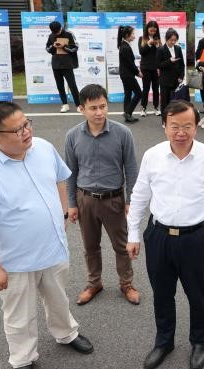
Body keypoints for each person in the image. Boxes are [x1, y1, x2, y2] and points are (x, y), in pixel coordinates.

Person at [0, 101, 94, 369]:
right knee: (19, 315)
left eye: (26, 124)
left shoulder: (42, 148)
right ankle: (23, 358)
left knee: (58, 298)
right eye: (17, 130)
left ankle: (66, 333)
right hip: (15, 261)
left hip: (53, 248)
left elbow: (59, 178)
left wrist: (62, 214)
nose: (27, 132)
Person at [126, 100, 204, 369]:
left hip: (196, 237)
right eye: (174, 126)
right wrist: (133, 234)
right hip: (158, 235)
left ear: (196, 127)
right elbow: (139, 196)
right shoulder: (152, 156)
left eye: (187, 126)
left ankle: (200, 342)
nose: (180, 132)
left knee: (196, 292)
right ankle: (164, 341)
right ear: (164, 126)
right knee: (162, 293)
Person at [64, 84, 140, 306]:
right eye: (93, 108)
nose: (99, 112)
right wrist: (72, 204)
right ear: (81, 109)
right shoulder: (72, 136)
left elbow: (131, 169)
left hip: (114, 200)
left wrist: (130, 200)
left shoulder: (123, 133)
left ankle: (126, 283)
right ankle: (94, 283)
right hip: (85, 200)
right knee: (90, 247)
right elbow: (71, 172)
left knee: (122, 246)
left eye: (103, 106)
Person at [46, 20, 80, 113]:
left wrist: (64, 47)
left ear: (61, 28)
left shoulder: (69, 34)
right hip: (56, 64)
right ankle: (65, 104)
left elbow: (75, 47)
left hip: (67, 63)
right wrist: (53, 46)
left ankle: (78, 105)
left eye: (58, 31)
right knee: (60, 85)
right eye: (55, 32)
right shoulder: (51, 36)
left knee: (72, 85)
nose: (57, 33)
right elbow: (48, 49)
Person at [157, 28, 186, 123]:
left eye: (175, 40)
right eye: (171, 40)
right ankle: (164, 120)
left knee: (175, 102)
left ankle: (174, 119)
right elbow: (158, 65)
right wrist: (169, 61)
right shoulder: (161, 49)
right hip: (165, 80)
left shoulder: (178, 48)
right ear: (166, 39)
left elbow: (182, 64)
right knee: (165, 101)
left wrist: (181, 76)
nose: (173, 42)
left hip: (176, 80)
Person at [117, 25, 143, 123]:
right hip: (127, 75)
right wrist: (138, 72)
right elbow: (130, 63)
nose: (134, 36)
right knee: (139, 93)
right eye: (132, 34)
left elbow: (129, 63)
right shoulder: (125, 47)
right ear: (127, 35)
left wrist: (136, 72)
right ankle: (128, 112)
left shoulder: (124, 45)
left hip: (126, 74)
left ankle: (128, 115)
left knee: (128, 94)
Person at [138, 21, 162, 117]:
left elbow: (161, 53)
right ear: (147, 29)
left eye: (154, 31)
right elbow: (141, 52)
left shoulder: (158, 39)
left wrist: (157, 46)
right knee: (146, 88)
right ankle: (143, 108)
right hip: (145, 67)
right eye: (151, 30)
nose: (152, 32)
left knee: (156, 88)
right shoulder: (142, 38)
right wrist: (148, 44)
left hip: (155, 68)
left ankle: (156, 107)